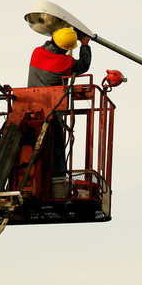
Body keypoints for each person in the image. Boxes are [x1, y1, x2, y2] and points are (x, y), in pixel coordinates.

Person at [27, 27, 92, 174]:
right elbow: (84, 64)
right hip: (51, 111)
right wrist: (85, 44)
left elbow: (48, 45)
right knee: (56, 146)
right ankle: (59, 177)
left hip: (29, 107)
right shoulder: (65, 62)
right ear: (66, 49)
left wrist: (64, 33)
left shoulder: (37, 52)